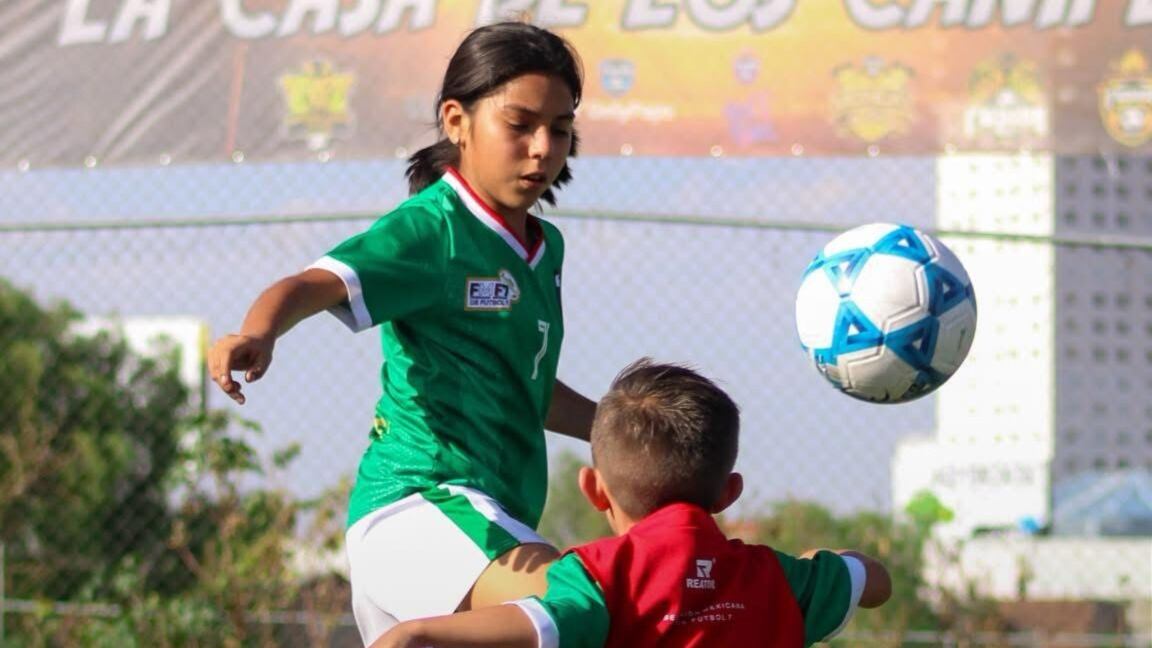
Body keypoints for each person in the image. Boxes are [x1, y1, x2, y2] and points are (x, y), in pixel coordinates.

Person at [206, 21, 598, 646]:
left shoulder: (543, 248)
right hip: (419, 506)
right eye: (520, 124)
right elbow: (312, 283)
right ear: (456, 120)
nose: (542, 147)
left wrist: (628, 435)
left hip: (488, 523)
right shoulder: (430, 230)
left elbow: (530, 389)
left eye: (559, 128)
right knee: (582, 607)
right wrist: (258, 332)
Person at [374, 359, 893, 648]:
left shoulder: (601, 578)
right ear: (728, 493)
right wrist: (827, 566)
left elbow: (534, 624)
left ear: (594, 489)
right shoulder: (779, 582)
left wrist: (417, 629)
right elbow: (874, 581)